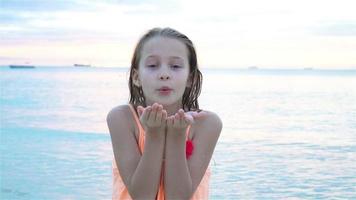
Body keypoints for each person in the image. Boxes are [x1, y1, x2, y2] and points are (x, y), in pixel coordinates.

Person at [107, 27, 222, 200]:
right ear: (136, 77)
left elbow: (178, 197)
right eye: (153, 66)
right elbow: (142, 196)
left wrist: (178, 134)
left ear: (190, 78)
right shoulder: (122, 119)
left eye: (175, 66)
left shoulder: (207, 124)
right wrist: (154, 134)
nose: (164, 74)